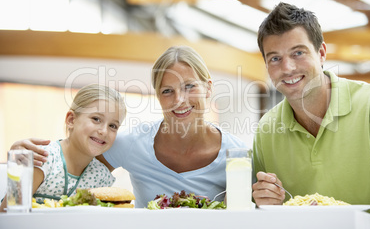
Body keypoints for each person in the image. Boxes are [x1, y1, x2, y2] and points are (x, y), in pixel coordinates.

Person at [10, 46, 248, 208]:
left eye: (189, 87)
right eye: (168, 91)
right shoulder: (131, 142)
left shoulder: (236, 155)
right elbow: (78, 159)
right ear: (157, 96)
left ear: (208, 88)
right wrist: (29, 156)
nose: (179, 100)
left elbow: (241, 216)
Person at [251, 2, 370, 229]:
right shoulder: (266, 131)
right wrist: (265, 203)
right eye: (275, 58)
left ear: (321, 53)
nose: (288, 67)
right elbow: (264, 215)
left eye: (298, 53)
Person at [1, 84, 126, 211]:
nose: (104, 131)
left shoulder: (101, 175)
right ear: (71, 120)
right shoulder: (43, 158)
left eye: (113, 126)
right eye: (96, 119)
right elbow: (8, 215)